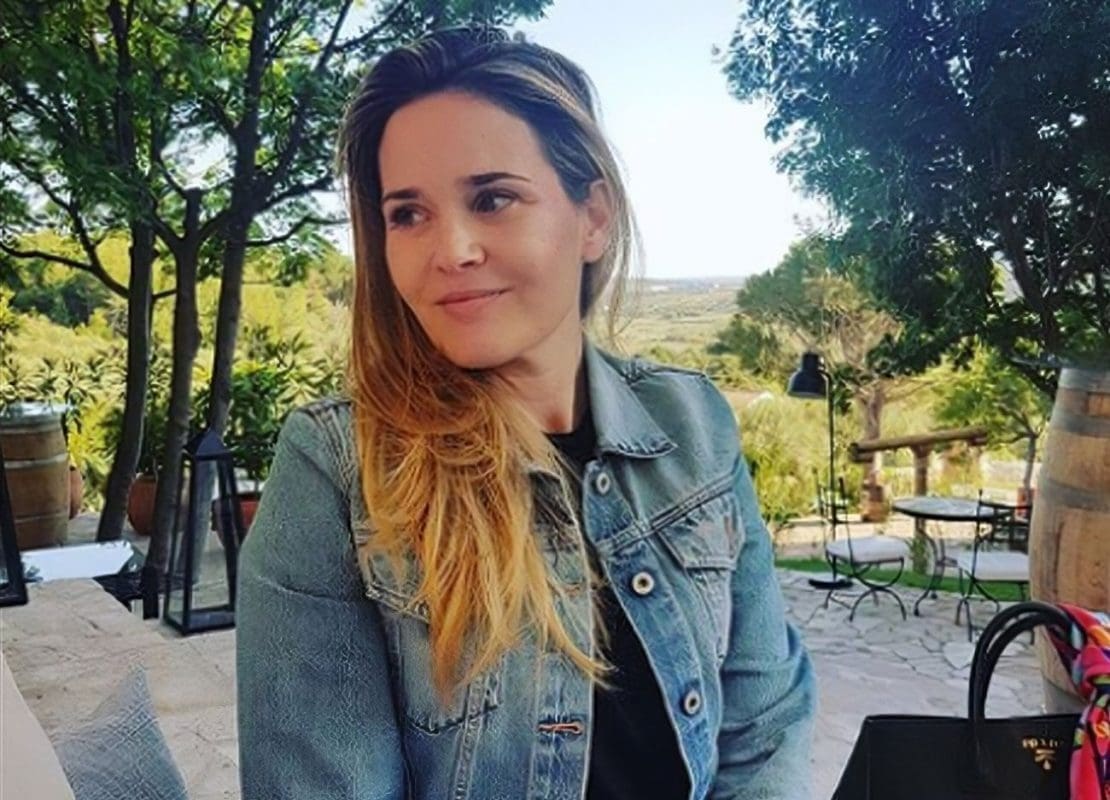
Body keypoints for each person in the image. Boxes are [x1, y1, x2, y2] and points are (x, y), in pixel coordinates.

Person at [236, 25, 815, 800]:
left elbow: (765, 725)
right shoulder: (339, 468)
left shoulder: (693, 423)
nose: (452, 249)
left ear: (593, 217)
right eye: (408, 214)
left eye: (493, 198)